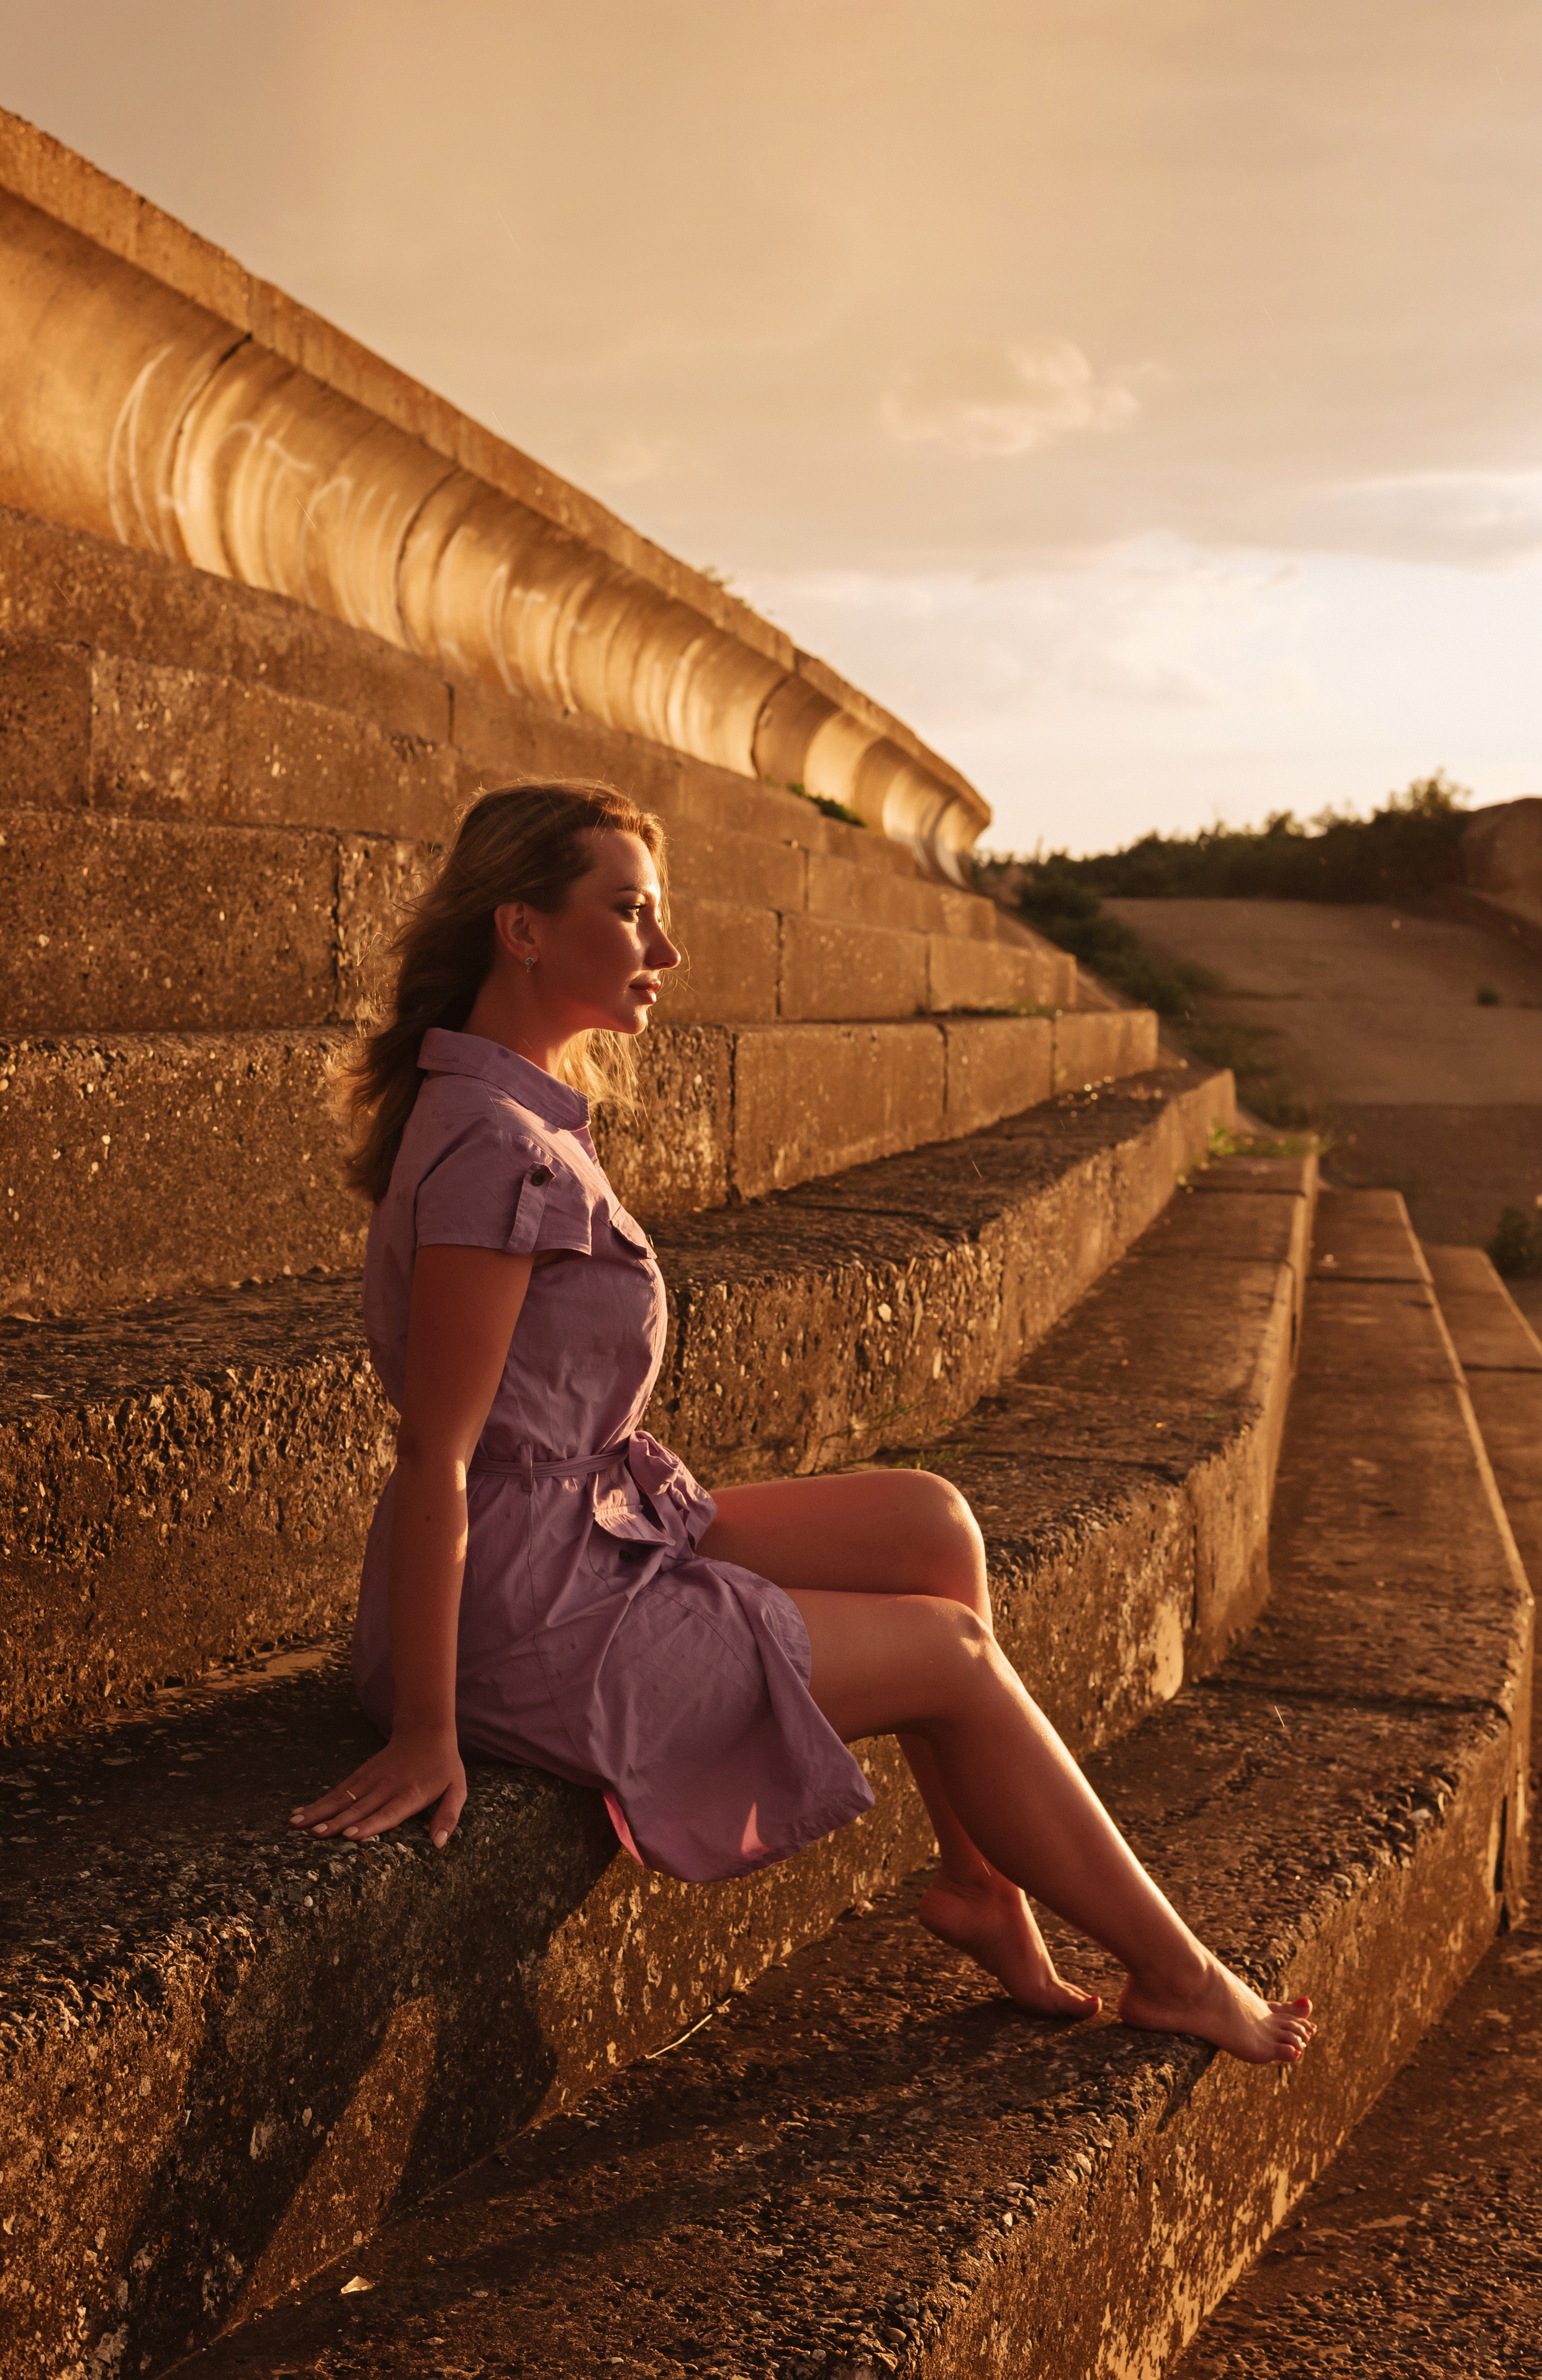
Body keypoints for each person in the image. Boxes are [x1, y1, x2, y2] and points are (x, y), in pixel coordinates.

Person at [291, 780, 1314, 2066]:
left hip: (569, 1537)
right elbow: (436, 1453)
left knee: (925, 1520)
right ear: (524, 930)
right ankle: (1178, 1974)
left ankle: (979, 1886)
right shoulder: (506, 1149)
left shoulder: (518, 1112)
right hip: (520, 1612)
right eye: (631, 914)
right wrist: (426, 1730)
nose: (664, 953)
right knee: (946, 1655)